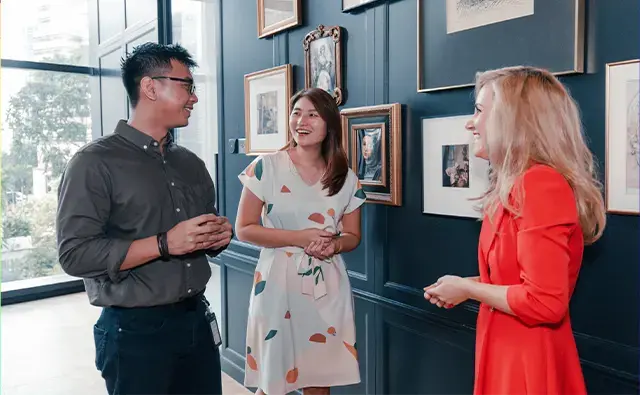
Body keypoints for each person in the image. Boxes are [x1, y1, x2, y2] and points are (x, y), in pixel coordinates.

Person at [56, 42, 232, 395]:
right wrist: (165, 244)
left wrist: (217, 236)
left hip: (197, 321)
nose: (194, 98)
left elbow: (200, 233)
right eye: (187, 86)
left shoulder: (191, 163)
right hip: (134, 333)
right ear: (150, 87)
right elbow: (74, 255)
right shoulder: (93, 163)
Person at [423, 66, 606, 395]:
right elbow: (517, 281)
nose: (470, 122)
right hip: (504, 348)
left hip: (528, 359)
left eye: (479, 110)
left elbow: (545, 301)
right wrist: (464, 286)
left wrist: (470, 289)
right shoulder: (513, 186)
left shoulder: (540, 184)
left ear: (514, 119)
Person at [235, 88, 365, 395]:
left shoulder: (346, 178)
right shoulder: (266, 166)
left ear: (329, 124)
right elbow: (244, 229)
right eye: (296, 112)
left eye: (312, 114)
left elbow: (353, 236)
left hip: (327, 287)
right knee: (272, 380)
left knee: (319, 381)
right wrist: (299, 238)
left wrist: (334, 244)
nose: (301, 121)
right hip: (277, 284)